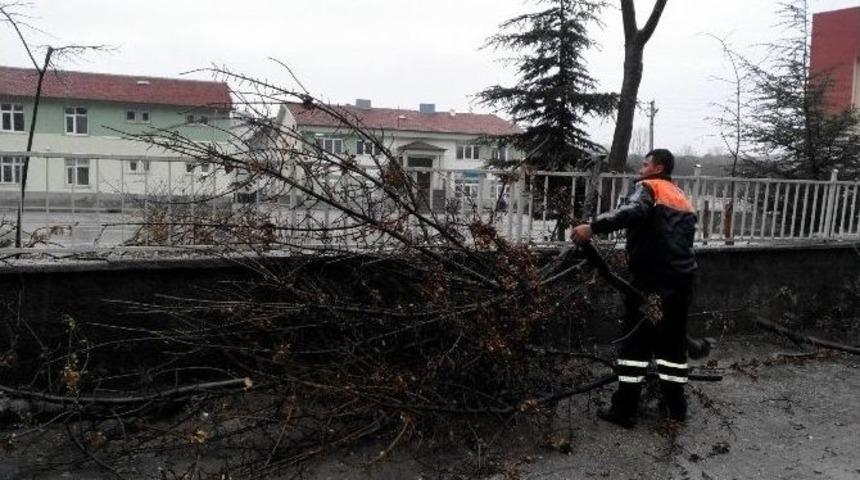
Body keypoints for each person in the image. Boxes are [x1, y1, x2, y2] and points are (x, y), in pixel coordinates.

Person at [571, 149, 697, 427]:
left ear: (658, 167)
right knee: (673, 347)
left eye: (645, 164)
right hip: (682, 280)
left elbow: (630, 212)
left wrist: (593, 227)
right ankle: (675, 409)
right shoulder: (680, 196)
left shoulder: (648, 188)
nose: (641, 168)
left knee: (635, 345)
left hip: (651, 281)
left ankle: (624, 410)